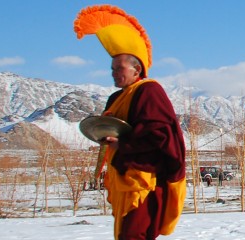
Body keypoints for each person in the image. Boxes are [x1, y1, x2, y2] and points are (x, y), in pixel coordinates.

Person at [74, 5, 186, 239]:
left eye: (119, 68)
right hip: (124, 178)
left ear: (137, 69)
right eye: (112, 68)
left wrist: (123, 145)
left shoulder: (149, 91)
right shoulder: (116, 97)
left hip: (144, 181)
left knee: (136, 235)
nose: (114, 73)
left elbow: (160, 136)